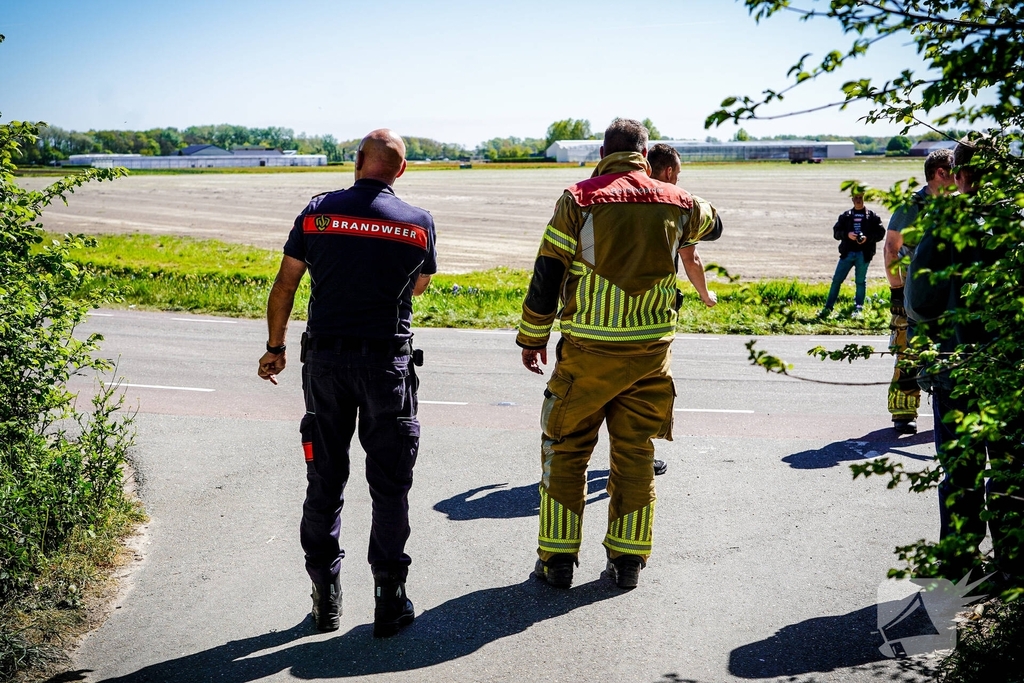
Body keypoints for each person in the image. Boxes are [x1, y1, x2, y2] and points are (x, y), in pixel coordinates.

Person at [517, 119, 722, 590]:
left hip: (587, 353)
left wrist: (533, 336)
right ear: (644, 154)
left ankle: (558, 561)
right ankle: (627, 561)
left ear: (603, 152)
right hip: (650, 354)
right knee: (634, 453)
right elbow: (715, 222)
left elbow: (547, 272)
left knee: (566, 451)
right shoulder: (680, 201)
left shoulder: (578, 198)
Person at [257, 129, 436, 638]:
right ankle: (388, 597)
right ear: (400, 170)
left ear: (357, 162)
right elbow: (419, 285)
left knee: (325, 481)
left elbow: (286, 283)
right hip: (387, 368)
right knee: (390, 486)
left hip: (326, 367)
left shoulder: (316, 212)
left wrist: (275, 349)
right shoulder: (418, 222)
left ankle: (325, 596)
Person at [906, 138, 1023, 582]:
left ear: (959, 175)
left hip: (958, 364)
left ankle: (959, 560)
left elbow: (920, 300)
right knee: (1013, 466)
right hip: (1012, 369)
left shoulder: (946, 223)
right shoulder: (1017, 223)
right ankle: (1014, 565)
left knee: (961, 468)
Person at [646, 143, 720, 476]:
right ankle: (640, 457)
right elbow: (691, 258)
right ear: (670, 171)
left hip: (602, 312)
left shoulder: (617, 200)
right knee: (644, 391)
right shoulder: (675, 206)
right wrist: (705, 295)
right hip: (652, 317)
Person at [882, 149, 955, 435]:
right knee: (909, 348)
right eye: (954, 169)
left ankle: (951, 407)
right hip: (917, 293)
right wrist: (897, 292)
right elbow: (890, 249)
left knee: (950, 347)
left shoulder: (957, 205)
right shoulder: (912, 206)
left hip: (949, 292)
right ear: (940, 173)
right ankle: (903, 412)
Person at [819, 193, 885, 319]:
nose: (858, 200)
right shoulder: (846, 216)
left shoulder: (872, 217)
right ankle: (828, 307)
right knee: (836, 280)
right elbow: (836, 232)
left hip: (863, 254)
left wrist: (867, 238)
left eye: (860, 197)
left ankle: (858, 308)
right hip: (847, 253)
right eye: (856, 198)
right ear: (852, 199)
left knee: (860, 282)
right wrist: (847, 235)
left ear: (864, 198)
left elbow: (881, 233)